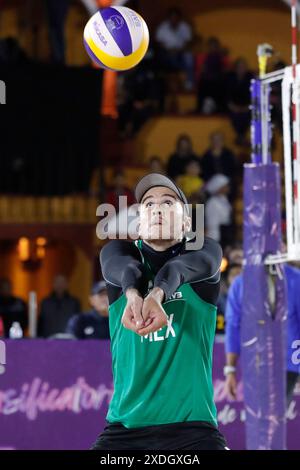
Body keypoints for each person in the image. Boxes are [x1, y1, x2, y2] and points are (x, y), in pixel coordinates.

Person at [92, 172, 228, 450]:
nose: (157, 209)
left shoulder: (205, 251)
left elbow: (179, 268)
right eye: (149, 204)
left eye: (168, 203)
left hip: (193, 430)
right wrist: (132, 294)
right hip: (124, 430)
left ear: (187, 221)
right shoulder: (117, 252)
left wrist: (157, 294)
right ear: (139, 221)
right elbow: (127, 270)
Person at [224, 264, 300, 406]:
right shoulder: (240, 284)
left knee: (271, 414)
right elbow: (233, 327)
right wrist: (230, 370)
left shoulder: (296, 280)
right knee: (260, 417)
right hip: (255, 362)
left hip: (286, 364)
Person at [155, 8, 194, 90]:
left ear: (179, 18)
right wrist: (168, 50)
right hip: (166, 53)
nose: (174, 20)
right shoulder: (163, 28)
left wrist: (178, 50)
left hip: (181, 53)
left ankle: (189, 83)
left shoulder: (184, 27)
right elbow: (159, 43)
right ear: (169, 18)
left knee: (189, 57)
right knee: (161, 58)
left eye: (176, 17)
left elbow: (188, 43)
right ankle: (163, 85)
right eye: (172, 17)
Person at [201, 132, 239, 200]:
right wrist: (215, 188)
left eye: (219, 139)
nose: (217, 142)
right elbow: (204, 174)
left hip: (227, 186)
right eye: (214, 140)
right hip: (211, 187)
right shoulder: (206, 156)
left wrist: (226, 186)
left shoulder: (229, 155)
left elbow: (234, 172)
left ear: (223, 141)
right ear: (211, 141)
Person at [225, 58, 253, 146]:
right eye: (239, 67)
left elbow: (253, 94)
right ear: (235, 68)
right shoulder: (230, 78)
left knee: (247, 115)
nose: (241, 69)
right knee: (235, 115)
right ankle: (240, 136)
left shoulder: (250, 78)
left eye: (243, 67)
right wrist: (232, 106)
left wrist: (247, 107)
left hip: (247, 106)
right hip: (233, 107)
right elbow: (226, 94)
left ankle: (241, 136)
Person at [205, 174, 233, 247]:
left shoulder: (224, 199)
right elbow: (212, 223)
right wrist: (214, 241)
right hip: (216, 236)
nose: (228, 187)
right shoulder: (212, 202)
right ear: (219, 187)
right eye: (225, 186)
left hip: (225, 233)